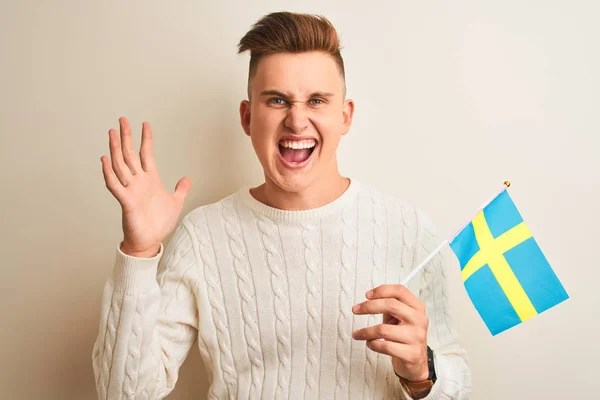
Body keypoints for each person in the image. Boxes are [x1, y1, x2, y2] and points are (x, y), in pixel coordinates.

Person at [92, 11, 471, 400]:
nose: (297, 120)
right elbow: (123, 394)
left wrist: (421, 374)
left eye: (317, 101)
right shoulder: (203, 236)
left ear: (345, 116)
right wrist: (138, 253)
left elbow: (458, 384)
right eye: (277, 100)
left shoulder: (408, 230)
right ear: (247, 116)